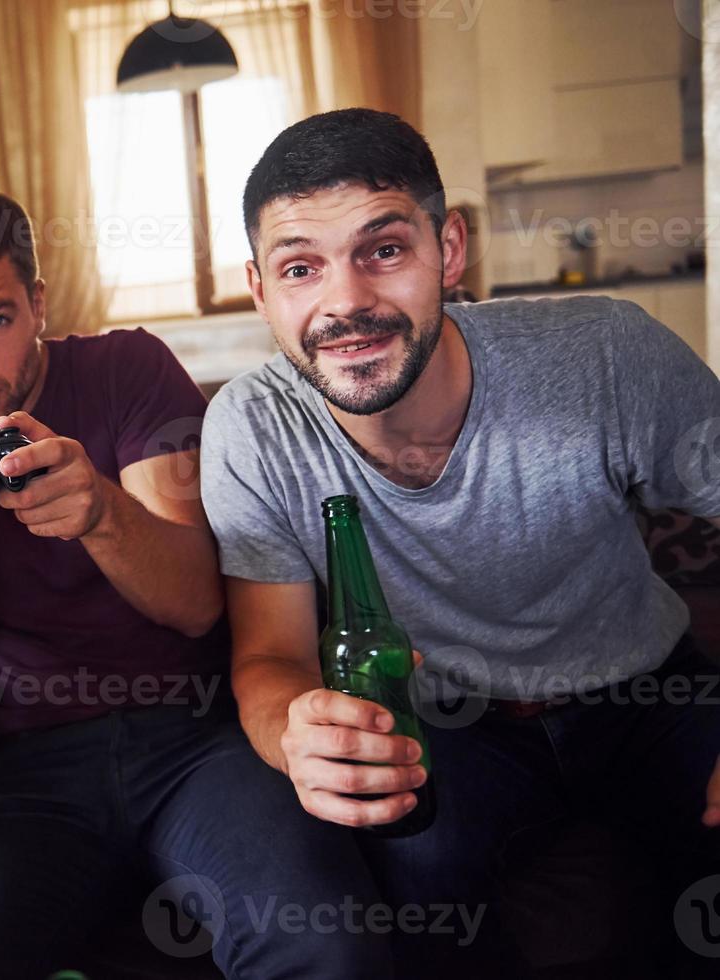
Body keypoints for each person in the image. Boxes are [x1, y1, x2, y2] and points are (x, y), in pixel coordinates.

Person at [202, 107, 720, 976]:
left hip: (647, 693)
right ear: (261, 290)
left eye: (385, 250)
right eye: (301, 267)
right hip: (449, 725)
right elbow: (269, 655)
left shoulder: (605, 354)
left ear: (448, 249)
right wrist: (293, 732)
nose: (346, 303)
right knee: (416, 900)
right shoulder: (250, 430)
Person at [0, 184, 393, 977]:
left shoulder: (124, 368)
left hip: (198, 739)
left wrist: (101, 512)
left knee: (329, 946)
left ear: (36, 304)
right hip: (32, 766)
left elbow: (197, 607)